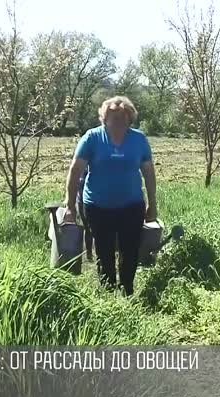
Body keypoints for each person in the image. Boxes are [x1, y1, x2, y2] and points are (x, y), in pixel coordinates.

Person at [63, 95, 157, 296]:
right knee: (104, 251)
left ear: (129, 119)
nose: (117, 121)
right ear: (104, 118)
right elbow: (75, 170)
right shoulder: (92, 138)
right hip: (98, 207)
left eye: (122, 117)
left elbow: (148, 172)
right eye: (112, 117)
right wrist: (70, 206)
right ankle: (108, 293)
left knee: (129, 250)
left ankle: (127, 291)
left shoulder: (139, 140)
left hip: (131, 206)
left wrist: (152, 204)